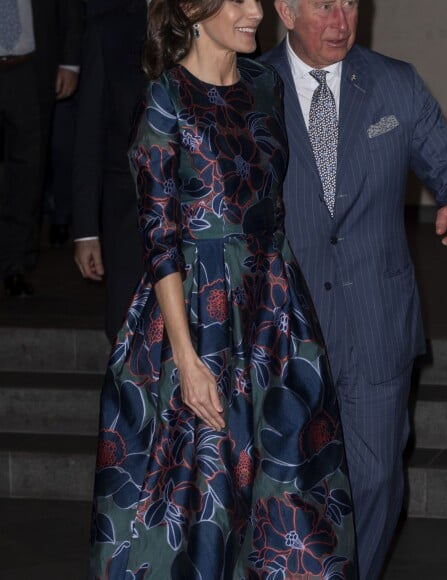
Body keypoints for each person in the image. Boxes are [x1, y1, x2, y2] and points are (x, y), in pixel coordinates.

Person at [89, 0, 357, 578]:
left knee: (294, 499)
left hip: (274, 313)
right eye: (238, 0)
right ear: (193, 8)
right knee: (203, 505)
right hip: (196, 318)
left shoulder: (265, 84)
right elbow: (160, 240)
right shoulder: (165, 97)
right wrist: (186, 363)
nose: (256, 12)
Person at [261, 1, 447, 578]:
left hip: (375, 320)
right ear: (285, 10)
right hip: (284, 330)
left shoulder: (395, 84)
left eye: (350, 2)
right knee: (286, 493)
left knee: (376, 482)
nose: (341, 18)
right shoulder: (248, 89)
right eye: (323, 4)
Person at [73, 0, 147, 343]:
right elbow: (89, 135)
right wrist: (86, 230)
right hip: (127, 222)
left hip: (200, 225)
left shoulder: (220, 21)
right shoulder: (108, 29)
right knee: (126, 340)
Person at [0, 0, 83, 296]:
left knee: (28, 173)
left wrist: (70, 61)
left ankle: (14, 266)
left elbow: (69, 7)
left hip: (30, 67)